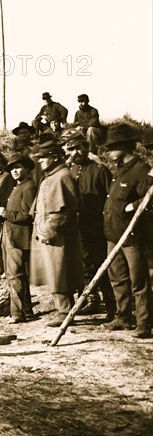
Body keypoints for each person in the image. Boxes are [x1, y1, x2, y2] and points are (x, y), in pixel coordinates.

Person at [101, 124, 153, 339]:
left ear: (124, 146)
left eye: (112, 147)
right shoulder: (120, 168)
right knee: (118, 278)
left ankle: (144, 323)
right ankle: (123, 317)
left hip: (131, 237)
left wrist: (131, 207)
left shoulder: (141, 169)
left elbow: (149, 195)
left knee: (138, 281)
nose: (109, 152)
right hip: (113, 234)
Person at [30, 140, 83, 327]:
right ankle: (63, 309)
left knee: (60, 271)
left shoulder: (61, 177)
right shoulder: (52, 176)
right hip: (50, 234)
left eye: (43, 157)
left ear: (54, 157)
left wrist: (47, 232)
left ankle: (65, 311)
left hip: (57, 236)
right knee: (55, 271)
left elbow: (62, 212)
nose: (40, 161)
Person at [64, 131, 115, 319]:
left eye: (76, 148)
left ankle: (111, 305)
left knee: (102, 264)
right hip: (79, 226)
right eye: (70, 149)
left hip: (97, 226)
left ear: (84, 148)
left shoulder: (100, 170)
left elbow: (111, 199)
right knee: (84, 265)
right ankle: (91, 300)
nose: (73, 153)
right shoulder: (72, 171)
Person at [0, 153, 37, 323]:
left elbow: (27, 215)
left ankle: (17, 313)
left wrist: (5, 213)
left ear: (27, 169)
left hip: (18, 236)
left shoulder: (28, 187)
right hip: (12, 233)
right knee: (18, 274)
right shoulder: (18, 186)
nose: (14, 171)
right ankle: (27, 311)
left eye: (18, 168)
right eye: (12, 169)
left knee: (14, 274)